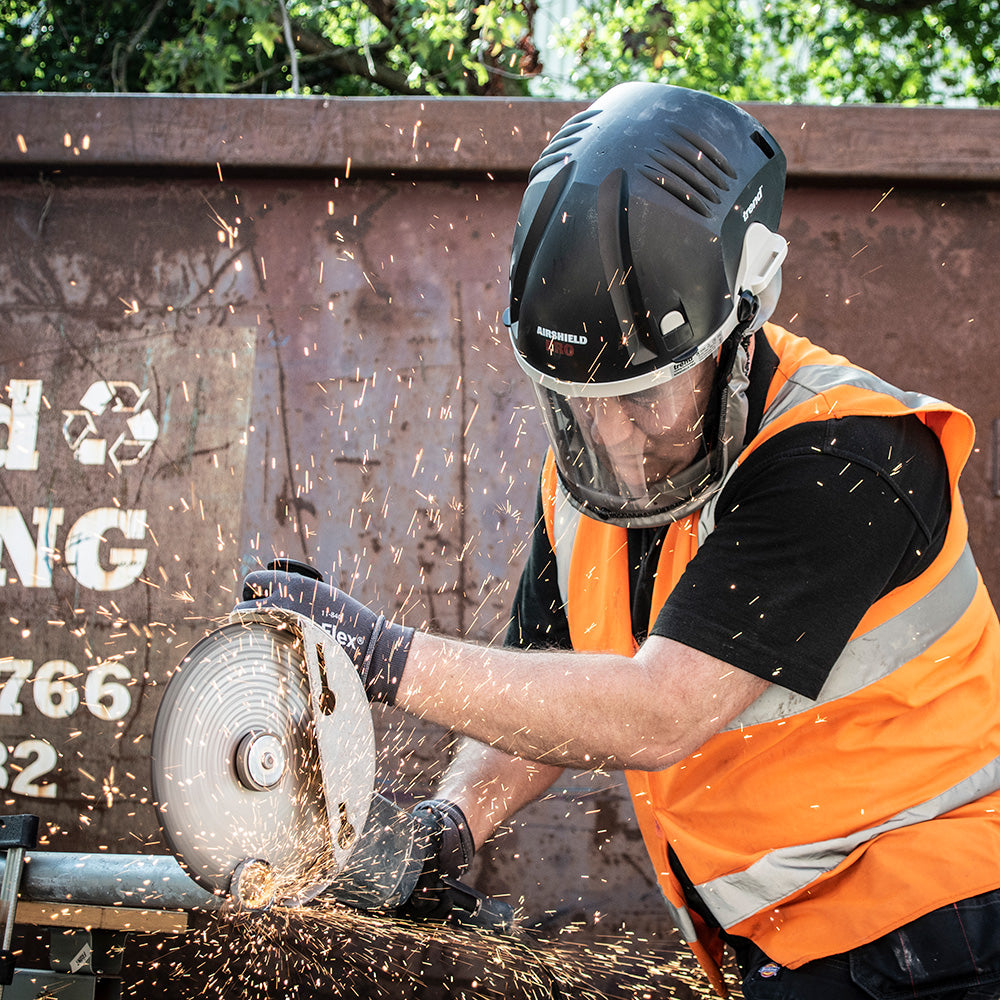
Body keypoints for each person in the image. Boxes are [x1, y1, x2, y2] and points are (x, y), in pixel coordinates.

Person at [238, 83, 1000, 999]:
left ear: (739, 325)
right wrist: (452, 822)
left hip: (946, 929)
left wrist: (379, 653)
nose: (611, 438)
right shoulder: (590, 474)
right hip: (797, 944)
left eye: (639, 397)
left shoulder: (847, 456)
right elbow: (547, 685)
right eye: (578, 404)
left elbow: (660, 709)